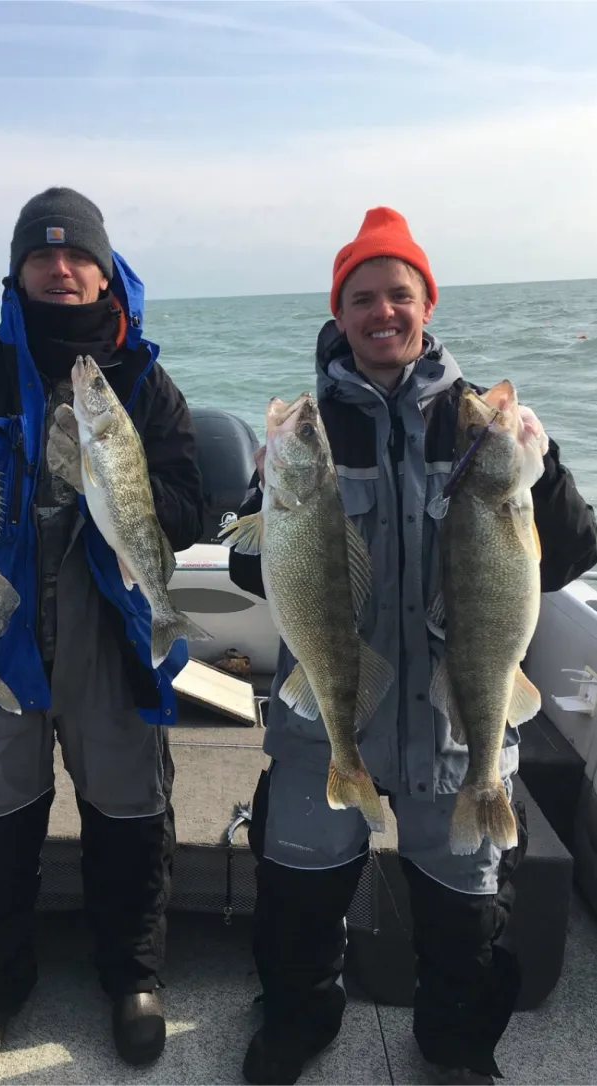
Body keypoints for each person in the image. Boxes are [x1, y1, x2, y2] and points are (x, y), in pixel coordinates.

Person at [228, 207, 597, 1086]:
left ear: (426, 304)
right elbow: (252, 582)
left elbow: (571, 555)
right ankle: (299, 1022)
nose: (382, 312)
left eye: (399, 294)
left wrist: (540, 469)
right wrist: (270, 512)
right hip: (328, 719)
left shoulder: (482, 427)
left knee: (465, 913)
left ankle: (458, 1049)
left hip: (454, 723)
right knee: (296, 895)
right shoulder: (309, 431)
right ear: (339, 312)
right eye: (362, 297)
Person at [0, 187, 204, 1082]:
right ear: (17, 271)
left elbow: (192, 501)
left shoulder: (139, 381)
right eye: (41, 255)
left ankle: (132, 977)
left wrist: (120, 500)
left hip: (108, 619)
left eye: (75, 254)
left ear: (101, 270)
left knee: (128, 802)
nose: (59, 267)